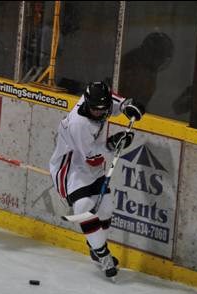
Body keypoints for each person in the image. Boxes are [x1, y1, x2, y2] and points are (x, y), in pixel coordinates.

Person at [49, 81, 144, 279]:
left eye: (103, 109)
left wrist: (128, 105)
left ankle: (95, 247)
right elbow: (93, 159)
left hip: (91, 166)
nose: (100, 113)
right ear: (87, 104)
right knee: (83, 207)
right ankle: (102, 254)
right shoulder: (79, 124)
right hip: (70, 169)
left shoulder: (98, 102)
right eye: (95, 109)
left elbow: (116, 100)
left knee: (106, 208)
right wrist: (113, 144)